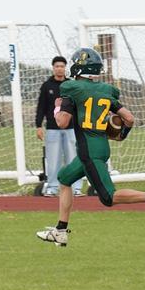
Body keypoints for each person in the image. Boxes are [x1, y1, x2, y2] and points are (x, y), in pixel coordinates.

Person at [36, 48, 145, 247]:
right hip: (101, 146)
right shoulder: (106, 90)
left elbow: (62, 122)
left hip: (88, 151)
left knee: (109, 198)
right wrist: (120, 135)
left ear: (78, 66)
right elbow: (129, 118)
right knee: (64, 178)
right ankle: (60, 231)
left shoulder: (71, 88)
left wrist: (58, 106)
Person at [35, 56, 83, 196]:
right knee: (53, 160)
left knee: (73, 159)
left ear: (65, 68)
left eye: (62, 66)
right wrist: (38, 126)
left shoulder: (71, 85)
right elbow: (41, 107)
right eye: (57, 66)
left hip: (71, 129)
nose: (59, 68)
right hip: (52, 129)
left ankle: (76, 188)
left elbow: (78, 105)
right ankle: (52, 187)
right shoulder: (47, 86)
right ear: (53, 68)